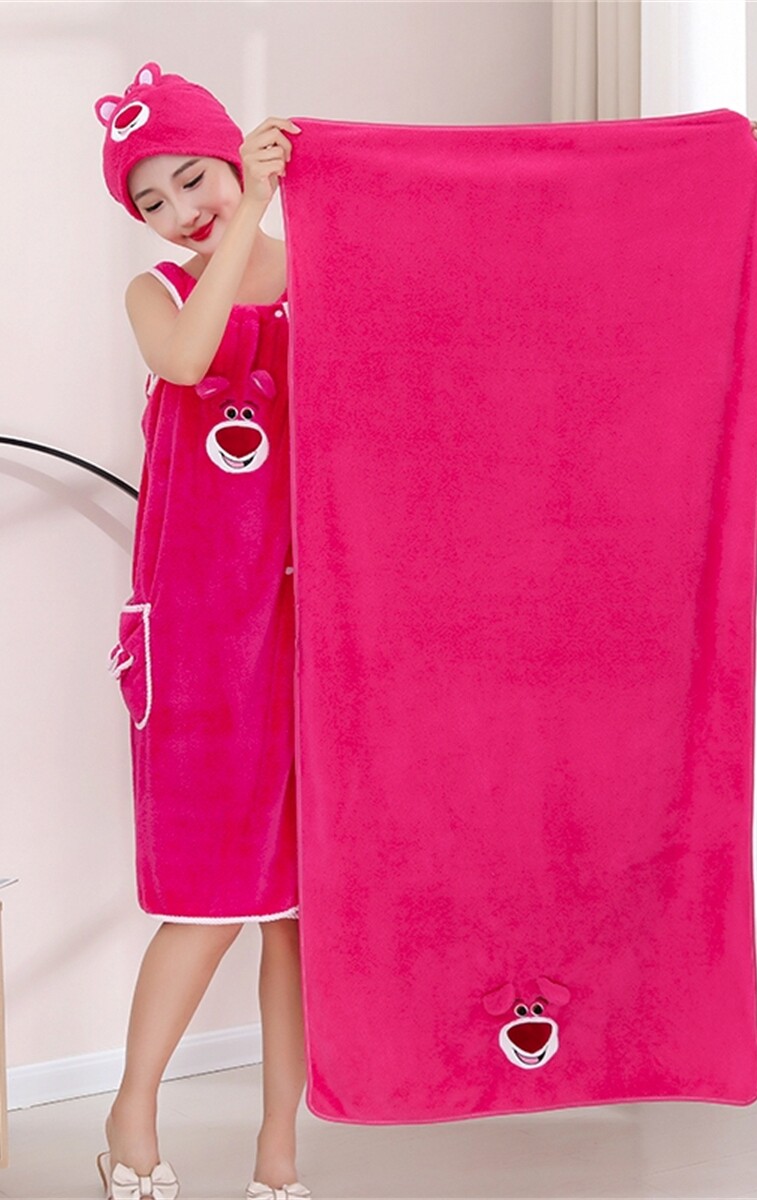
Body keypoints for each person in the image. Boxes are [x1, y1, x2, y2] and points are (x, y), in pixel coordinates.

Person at [93, 61, 308, 1200]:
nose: (181, 210)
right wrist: (253, 212)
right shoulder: (158, 294)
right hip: (202, 635)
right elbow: (188, 359)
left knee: (301, 918)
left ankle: (280, 1150)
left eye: (194, 178)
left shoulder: (332, 269)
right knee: (211, 898)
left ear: (234, 153)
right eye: (153, 200)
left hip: (320, 618)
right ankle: (131, 1111)